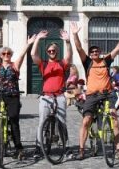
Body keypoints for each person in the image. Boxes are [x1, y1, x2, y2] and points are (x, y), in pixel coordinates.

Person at [71, 21, 119, 161]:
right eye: (92, 52)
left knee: (114, 119)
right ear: (90, 54)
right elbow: (79, 48)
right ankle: (81, 150)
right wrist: (75, 34)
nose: (94, 53)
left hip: (108, 94)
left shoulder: (106, 61)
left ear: (99, 52)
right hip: (91, 96)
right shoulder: (87, 62)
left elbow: (117, 48)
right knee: (86, 121)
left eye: (96, 51)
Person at [0, 34, 36, 160]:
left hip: (13, 97)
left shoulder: (15, 66)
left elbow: (22, 55)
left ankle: (19, 148)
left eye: (8, 53)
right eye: (4, 53)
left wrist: (29, 43)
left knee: (14, 121)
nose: (6, 55)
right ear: (0, 56)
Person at [30, 30, 72, 158]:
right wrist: (37, 39)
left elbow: (69, 56)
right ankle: (38, 147)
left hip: (59, 96)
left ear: (57, 52)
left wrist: (68, 41)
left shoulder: (61, 64)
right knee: (42, 122)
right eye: (49, 51)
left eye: (53, 51)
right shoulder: (44, 64)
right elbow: (33, 54)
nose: (51, 52)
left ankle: (66, 148)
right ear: (47, 52)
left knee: (62, 122)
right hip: (46, 96)